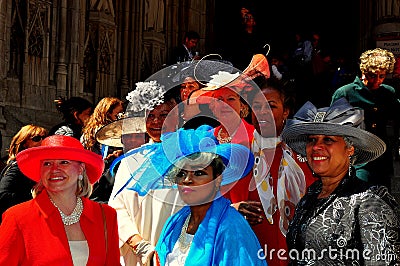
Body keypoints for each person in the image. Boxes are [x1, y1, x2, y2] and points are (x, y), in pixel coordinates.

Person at [281, 98, 400, 265]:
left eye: (328, 140)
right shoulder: (309, 197)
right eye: (312, 140)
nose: (316, 147)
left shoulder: (370, 202)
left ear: (350, 148)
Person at [126, 126, 266, 265]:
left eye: (199, 173)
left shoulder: (231, 227)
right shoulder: (175, 223)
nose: (187, 180)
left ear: (217, 179)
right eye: (181, 173)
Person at [0, 135, 120, 265]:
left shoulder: (106, 215)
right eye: (47, 163)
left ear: (81, 169)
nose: (54, 170)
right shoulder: (17, 217)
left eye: (64, 162)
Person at [235, 79, 315, 266]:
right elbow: (215, 202)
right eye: (257, 106)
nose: (263, 112)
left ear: (285, 112)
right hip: (248, 249)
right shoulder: (237, 155)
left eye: (271, 106)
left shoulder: (304, 155)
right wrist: (233, 209)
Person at [108, 80, 183, 266]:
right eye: (151, 116)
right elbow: (116, 208)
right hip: (138, 254)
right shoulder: (130, 161)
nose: (157, 121)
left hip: (181, 253)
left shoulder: (192, 157)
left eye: (164, 115)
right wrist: (140, 245)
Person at [331, 47, 400, 189]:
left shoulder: (388, 93)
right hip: (357, 158)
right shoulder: (345, 93)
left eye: (382, 76)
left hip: (382, 157)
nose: (377, 81)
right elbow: (333, 128)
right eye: (373, 76)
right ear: (363, 72)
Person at [0, 125, 48, 223]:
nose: (42, 142)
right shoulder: (18, 167)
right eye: (37, 138)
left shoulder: (35, 166)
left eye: (45, 138)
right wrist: (32, 197)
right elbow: (3, 195)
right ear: (24, 144)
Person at [81, 96, 124, 203]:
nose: (121, 116)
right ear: (108, 112)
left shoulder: (88, 131)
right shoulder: (108, 131)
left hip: (88, 174)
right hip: (103, 175)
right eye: (118, 113)